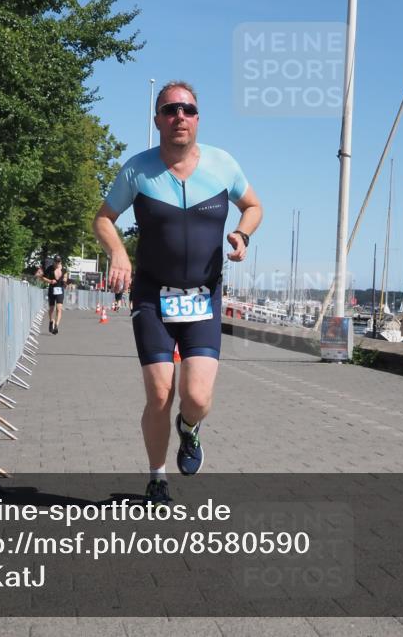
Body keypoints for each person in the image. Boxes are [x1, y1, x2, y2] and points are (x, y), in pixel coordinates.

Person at [93, 81, 262, 504]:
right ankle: (157, 478)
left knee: (197, 397)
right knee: (159, 394)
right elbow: (103, 218)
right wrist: (118, 252)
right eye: (170, 110)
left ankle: (189, 428)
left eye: (187, 109)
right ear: (158, 120)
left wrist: (242, 233)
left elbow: (254, 206)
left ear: (198, 118)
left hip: (204, 295)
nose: (179, 117)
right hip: (152, 295)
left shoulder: (223, 164)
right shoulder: (138, 169)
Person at [35, 255, 67, 334]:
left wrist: (64, 282)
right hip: (52, 289)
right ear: (54, 261)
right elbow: (42, 277)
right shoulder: (50, 268)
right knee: (52, 309)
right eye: (56, 262)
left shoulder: (64, 269)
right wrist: (50, 281)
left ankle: (56, 326)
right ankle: (51, 321)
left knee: (59, 309)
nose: (57, 263)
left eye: (58, 262)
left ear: (60, 262)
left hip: (60, 290)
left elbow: (65, 277)